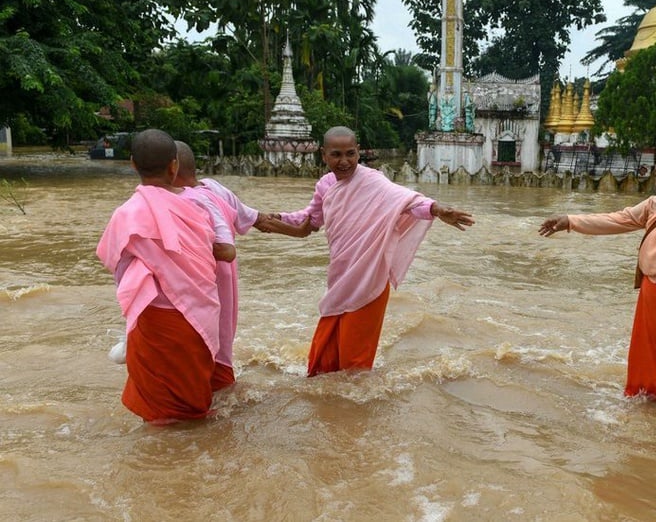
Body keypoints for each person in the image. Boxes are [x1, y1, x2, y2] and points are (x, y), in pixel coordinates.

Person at [260, 126, 475, 376]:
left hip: (370, 277)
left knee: (355, 369)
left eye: (350, 153)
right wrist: (279, 219)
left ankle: (357, 412)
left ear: (359, 152)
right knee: (322, 366)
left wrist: (437, 209)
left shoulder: (373, 180)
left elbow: (406, 201)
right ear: (323, 155)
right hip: (341, 278)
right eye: (336, 154)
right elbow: (311, 220)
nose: (344, 161)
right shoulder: (325, 185)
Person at [539, 149, 656, 405]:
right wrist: (571, 221)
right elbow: (618, 219)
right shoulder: (655, 205)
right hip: (652, 293)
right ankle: (648, 408)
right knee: (646, 361)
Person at [96, 129, 231, 424]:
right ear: (174, 166)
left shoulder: (126, 214)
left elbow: (116, 267)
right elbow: (220, 252)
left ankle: (161, 461)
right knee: (192, 404)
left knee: (160, 413)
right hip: (199, 315)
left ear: (132, 164)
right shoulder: (197, 207)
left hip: (155, 318)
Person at [173, 140, 269, 390]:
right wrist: (303, 227)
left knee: (203, 353)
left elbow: (225, 250)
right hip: (226, 286)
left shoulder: (188, 201)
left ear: (170, 169)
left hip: (206, 289)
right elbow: (257, 219)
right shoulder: (213, 188)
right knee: (221, 344)